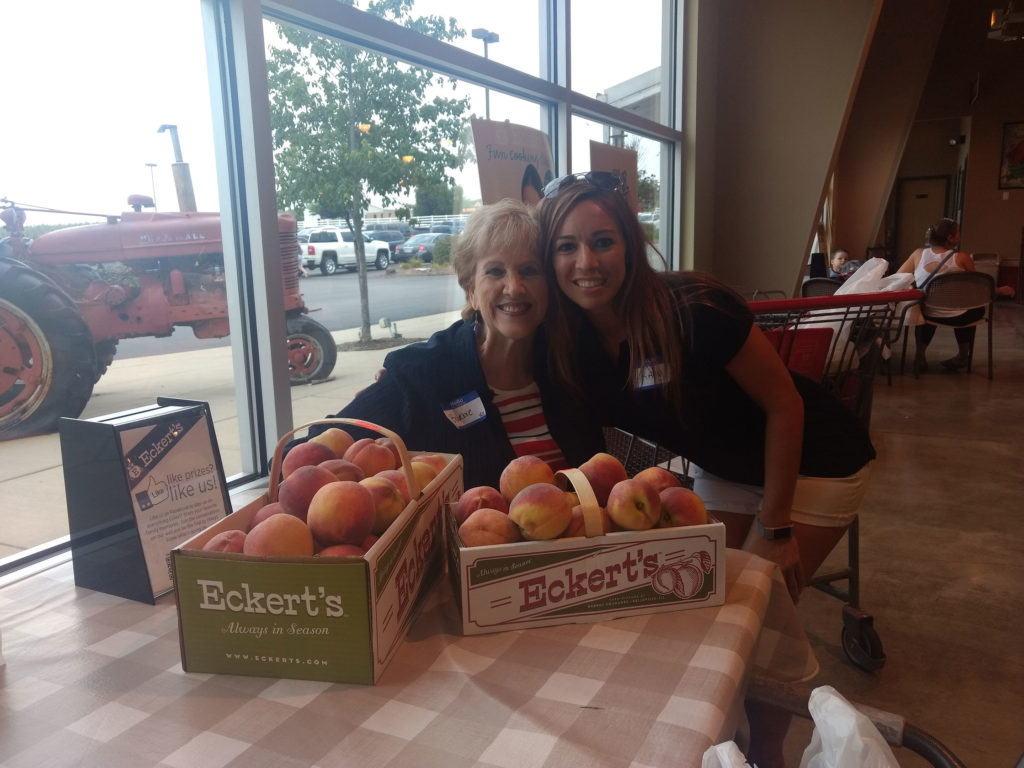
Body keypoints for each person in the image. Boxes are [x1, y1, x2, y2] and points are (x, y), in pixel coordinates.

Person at [536, 172, 876, 599]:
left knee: (756, 606)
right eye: (566, 247)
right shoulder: (567, 346)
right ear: (549, 259)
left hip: (815, 458)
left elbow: (785, 405)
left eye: (603, 242)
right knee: (701, 595)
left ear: (629, 247)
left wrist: (775, 526)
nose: (586, 262)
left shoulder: (693, 308)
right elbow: (583, 456)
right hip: (723, 467)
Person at [302, 199, 603, 490]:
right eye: (495, 271)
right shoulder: (423, 375)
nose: (514, 287)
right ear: (472, 291)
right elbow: (306, 456)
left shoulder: (566, 364)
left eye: (529, 270)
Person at [896, 217, 979, 373]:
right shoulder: (962, 257)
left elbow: (898, 277)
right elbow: (977, 287)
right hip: (959, 315)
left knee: (926, 307)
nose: (959, 234)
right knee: (970, 308)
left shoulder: (918, 254)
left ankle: (920, 356)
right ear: (950, 238)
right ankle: (962, 356)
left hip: (928, 314)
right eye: (958, 232)